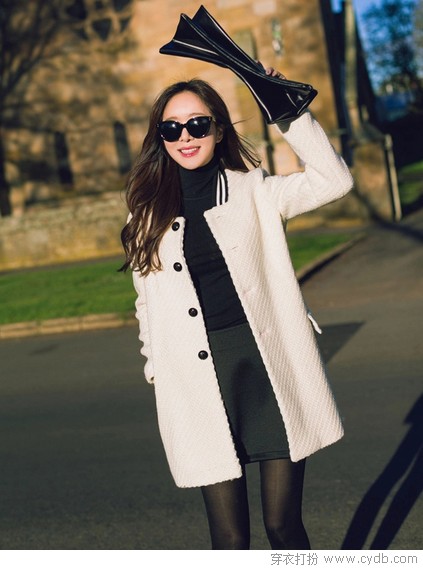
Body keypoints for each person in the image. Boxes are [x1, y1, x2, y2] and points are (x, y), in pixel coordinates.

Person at [120, 67, 354, 550]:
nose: (185, 137)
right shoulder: (146, 214)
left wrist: (288, 110)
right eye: (171, 128)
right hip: (201, 379)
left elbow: (334, 181)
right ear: (160, 137)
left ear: (219, 129)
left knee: (282, 525)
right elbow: (147, 301)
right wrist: (156, 367)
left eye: (197, 125)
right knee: (229, 539)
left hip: (269, 367)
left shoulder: (255, 191)